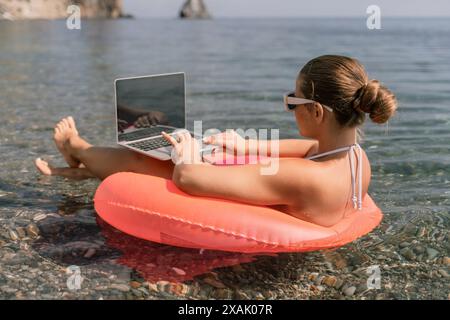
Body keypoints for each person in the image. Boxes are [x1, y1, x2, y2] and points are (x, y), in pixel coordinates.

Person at [35, 55, 397, 227]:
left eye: (293, 100)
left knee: (154, 163)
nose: (288, 107)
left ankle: (78, 150)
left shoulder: (304, 178)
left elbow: (188, 179)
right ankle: (81, 169)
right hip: (296, 195)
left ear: (317, 112)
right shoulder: (355, 157)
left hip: (263, 219)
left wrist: (187, 153)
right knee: (193, 150)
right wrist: (246, 145)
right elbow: (309, 149)